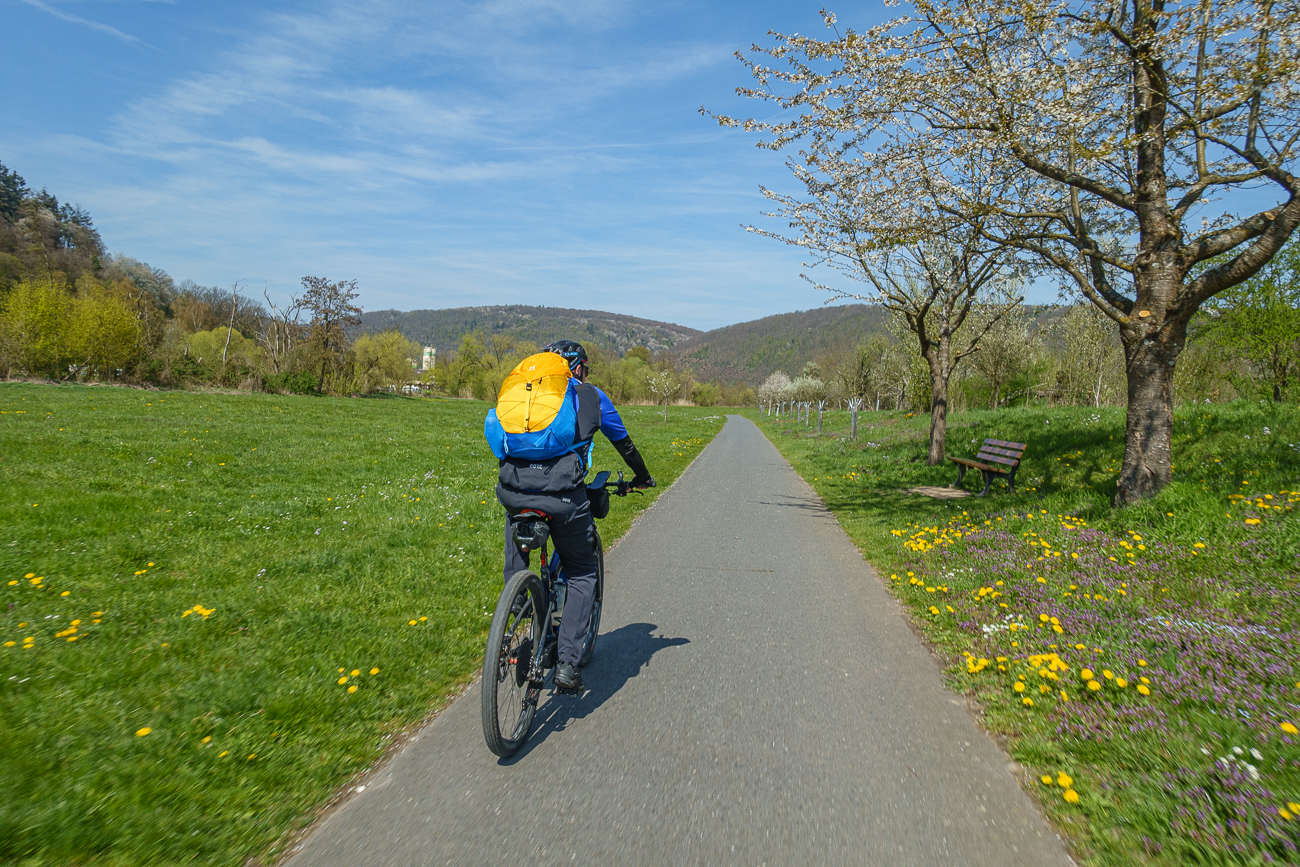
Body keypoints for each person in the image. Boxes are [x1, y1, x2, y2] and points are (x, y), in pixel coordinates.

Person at [495, 340, 654, 693]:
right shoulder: (592, 396)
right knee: (582, 571)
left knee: (517, 545)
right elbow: (624, 443)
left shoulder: (528, 394)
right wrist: (642, 476)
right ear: (578, 367)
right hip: (564, 496)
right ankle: (567, 662)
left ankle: (517, 604)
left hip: (514, 490)